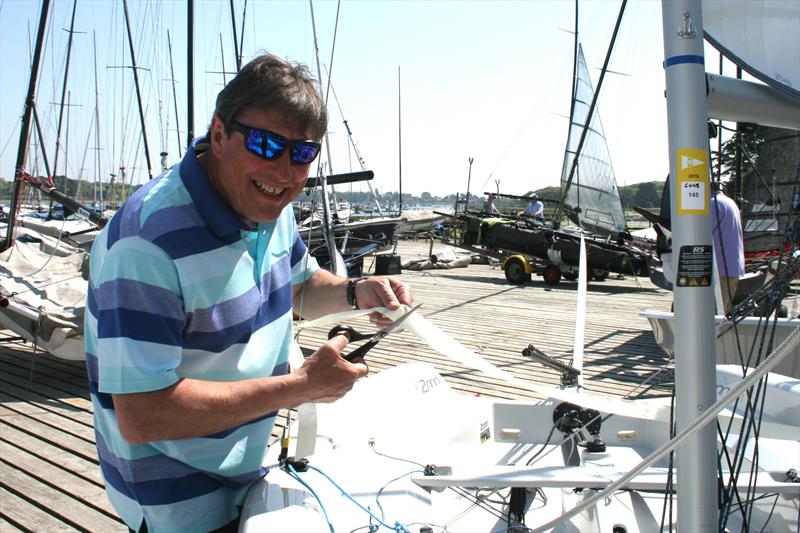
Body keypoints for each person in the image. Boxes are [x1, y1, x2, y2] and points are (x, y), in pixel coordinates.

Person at [84, 53, 413, 533]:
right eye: (265, 144)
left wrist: (356, 292)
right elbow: (143, 415)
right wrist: (300, 388)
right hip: (179, 498)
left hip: (250, 468)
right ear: (219, 134)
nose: (284, 171)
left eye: (303, 153)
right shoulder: (146, 243)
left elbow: (296, 285)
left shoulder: (269, 208)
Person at [710, 182, 744, 314]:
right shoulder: (730, 202)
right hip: (732, 266)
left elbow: (699, 234)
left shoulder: (713, 205)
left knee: (714, 315)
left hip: (720, 269)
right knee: (723, 311)